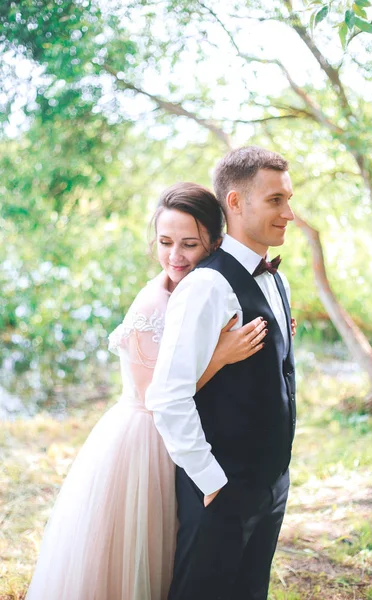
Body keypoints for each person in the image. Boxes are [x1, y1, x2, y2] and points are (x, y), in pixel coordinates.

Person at [25, 182, 269, 600]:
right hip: (144, 442)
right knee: (134, 553)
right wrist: (221, 357)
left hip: (181, 432)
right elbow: (155, 397)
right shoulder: (151, 305)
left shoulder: (203, 291)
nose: (175, 256)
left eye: (189, 244)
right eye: (165, 242)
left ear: (214, 240)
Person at [146, 147, 296, 600]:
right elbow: (169, 396)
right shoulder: (206, 286)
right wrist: (211, 481)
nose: (289, 213)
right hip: (221, 487)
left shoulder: (277, 278)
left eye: (288, 198)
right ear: (235, 202)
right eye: (275, 201)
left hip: (270, 483)